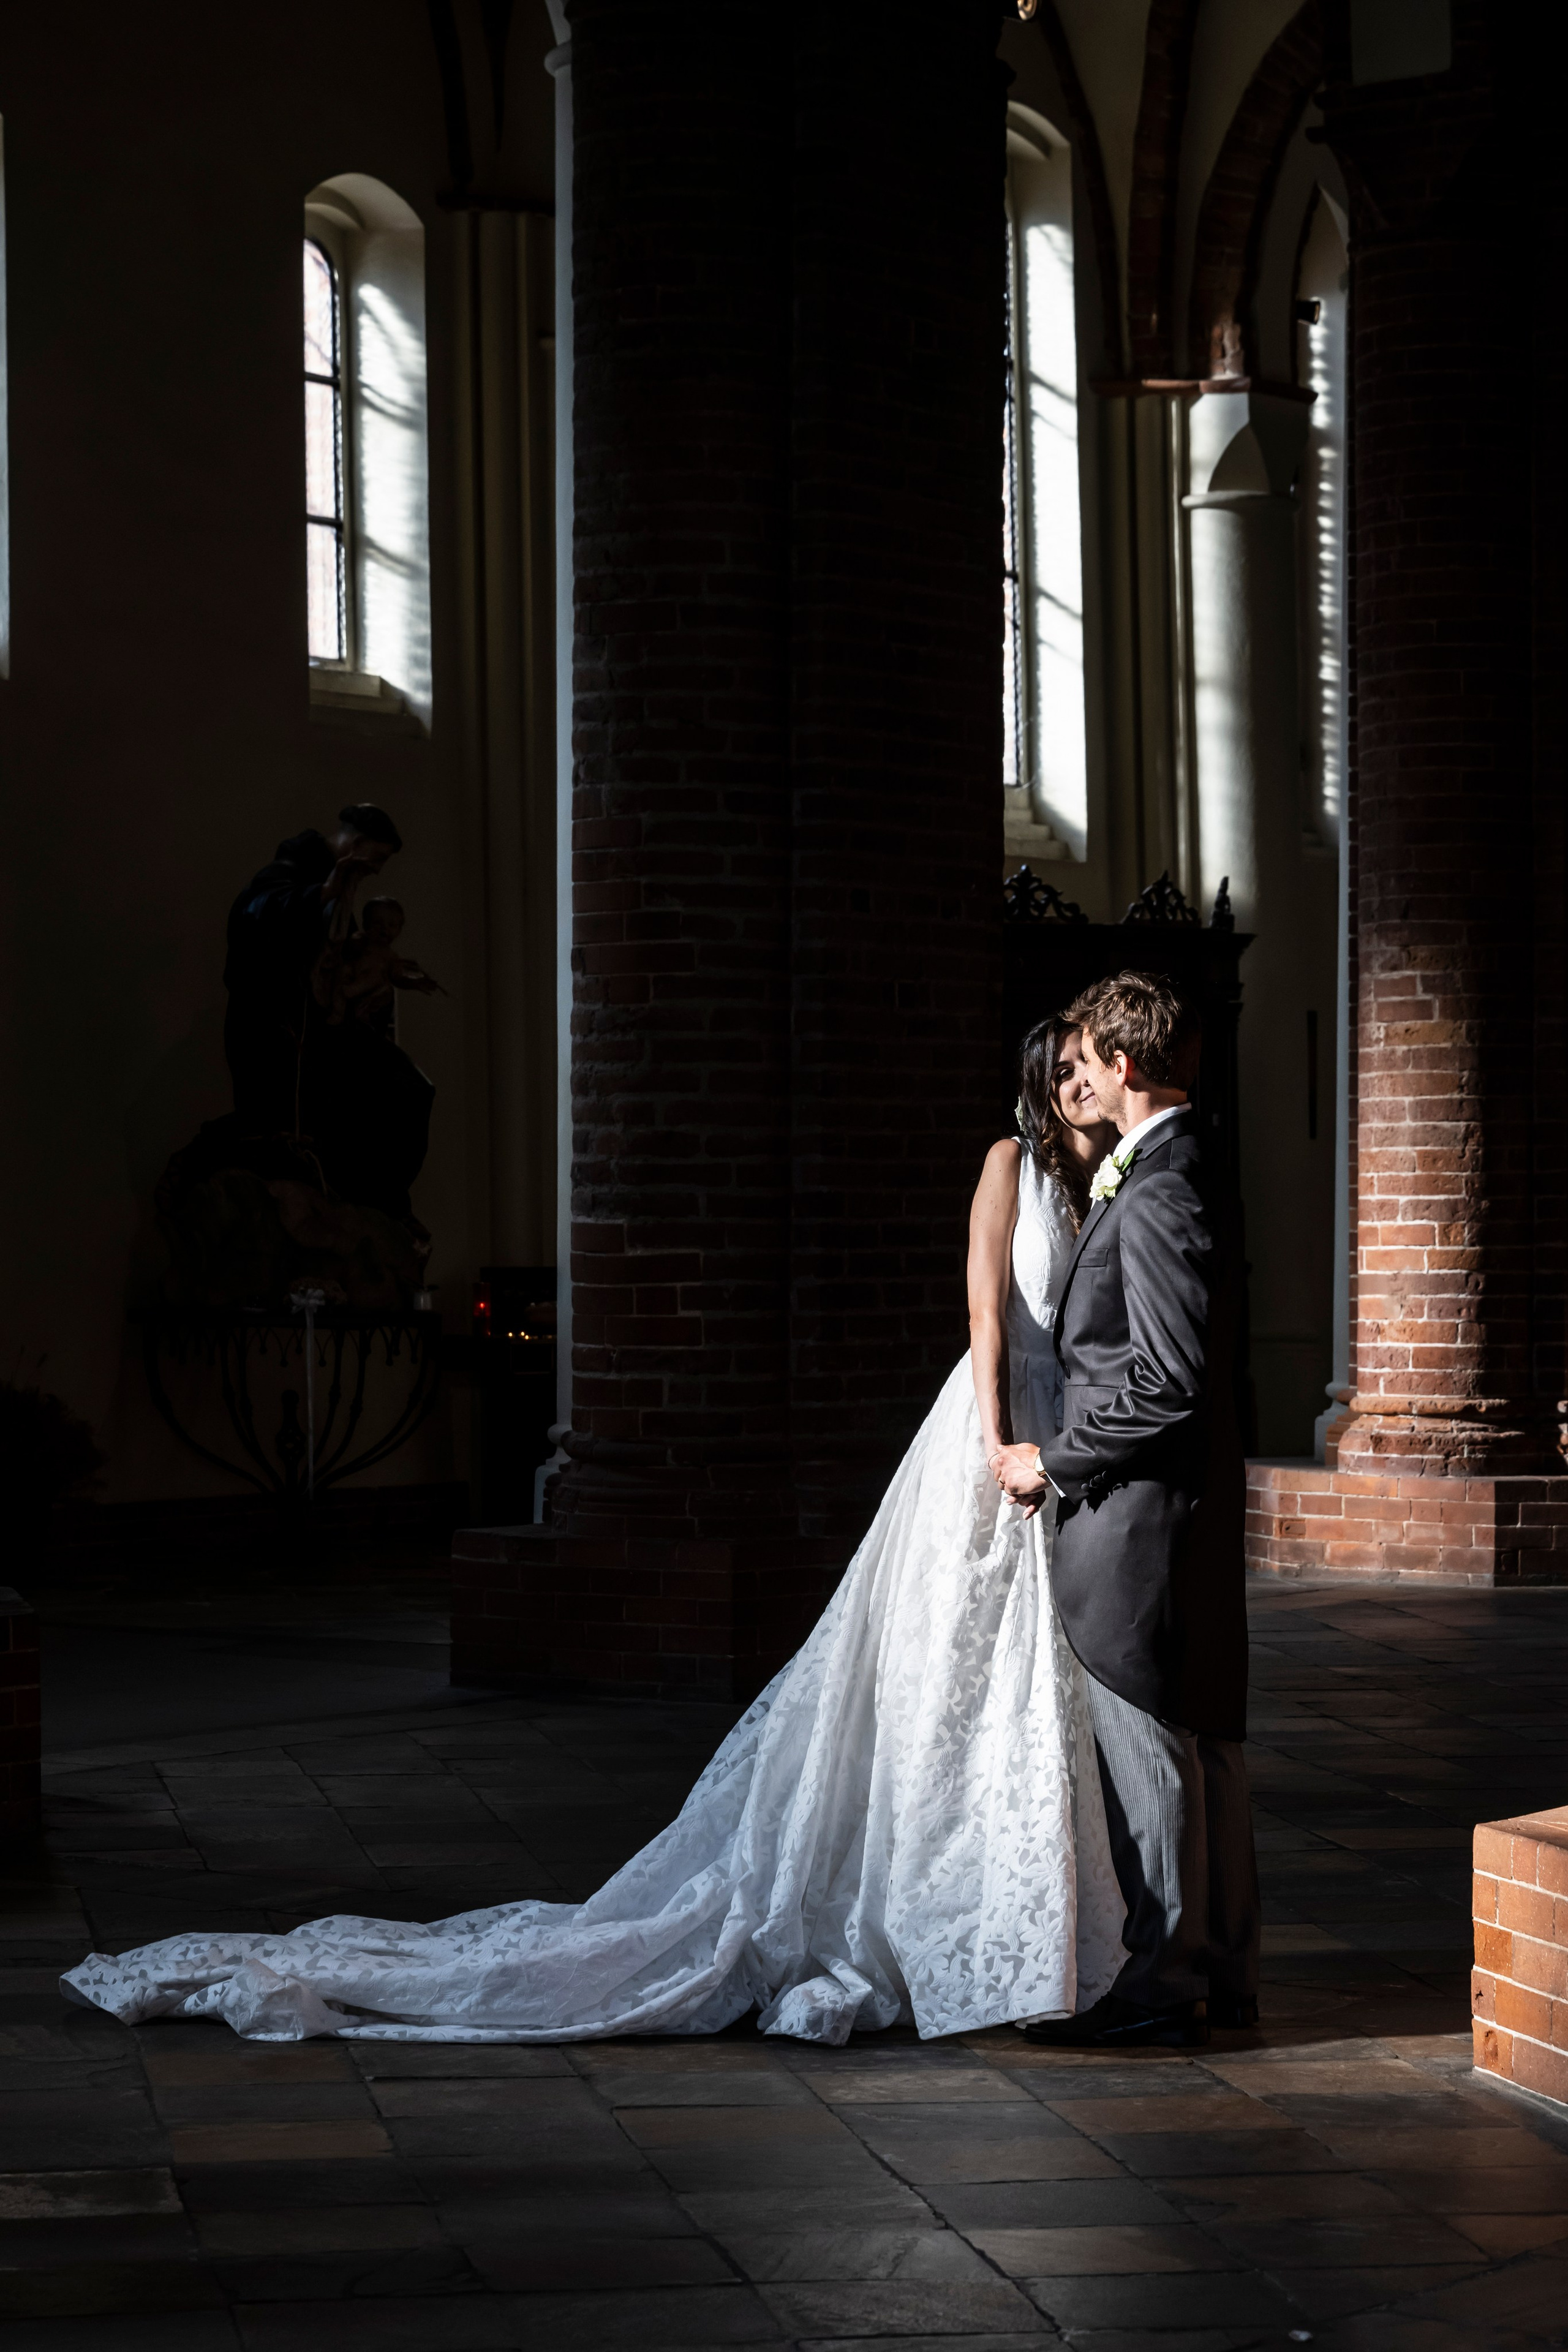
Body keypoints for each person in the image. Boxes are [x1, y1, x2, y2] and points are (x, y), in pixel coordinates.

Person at [62, 1019, 1130, 2047]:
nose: (1078, 1084)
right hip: (990, 1433)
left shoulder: (1109, 1180)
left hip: (1065, 1435)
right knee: (946, 1661)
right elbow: (987, 1312)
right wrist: (997, 1444)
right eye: (1062, 1068)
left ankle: (1022, 1921)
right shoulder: (1011, 1164)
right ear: (1037, 1080)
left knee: (1018, 1675)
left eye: (1090, 1066)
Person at [991, 970, 1260, 2050]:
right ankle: (1223, 1970)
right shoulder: (1175, 1167)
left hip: (1136, 1519)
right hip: (1171, 1513)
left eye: (1089, 1056)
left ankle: (1163, 1977)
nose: (1077, 1073)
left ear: (1127, 1066)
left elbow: (1165, 1378)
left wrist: (1052, 1463)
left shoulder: (1155, 1190)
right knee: (1201, 1744)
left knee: (1150, 1742)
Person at [222, 805, 435, 1224]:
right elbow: (254, 912)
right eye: (375, 860)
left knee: (409, 1087)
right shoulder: (293, 869)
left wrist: (389, 973)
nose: (375, 871)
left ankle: (378, 1203)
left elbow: (344, 962)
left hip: (322, 1029)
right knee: (385, 1093)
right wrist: (323, 893)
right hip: (277, 1036)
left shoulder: (341, 887)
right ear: (355, 846)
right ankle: (369, 1201)